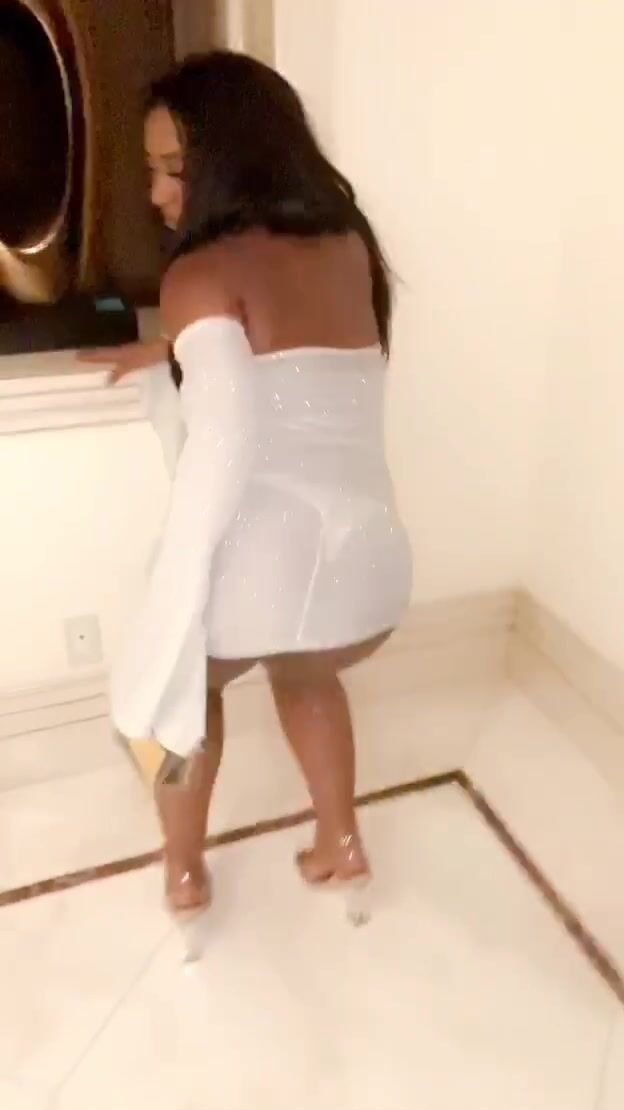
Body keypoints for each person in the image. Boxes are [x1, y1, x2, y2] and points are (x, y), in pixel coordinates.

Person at [92, 51, 412, 942]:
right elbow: (288, 362)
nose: (157, 194)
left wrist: (175, 595)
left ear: (234, 159)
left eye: (174, 170)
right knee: (304, 669)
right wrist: (176, 349)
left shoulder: (199, 273)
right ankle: (341, 840)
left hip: (265, 568)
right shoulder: (347, 247)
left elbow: (224, 445)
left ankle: (183, 868)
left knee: (177, 692)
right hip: (368, 568)